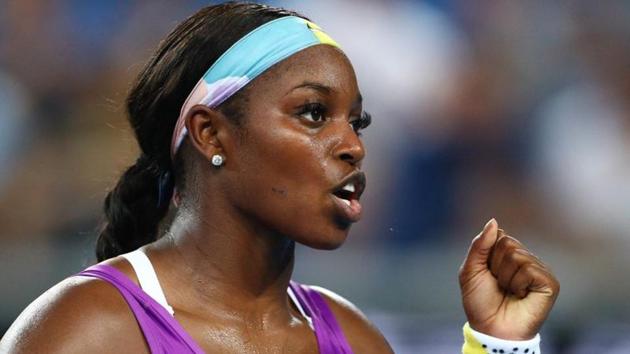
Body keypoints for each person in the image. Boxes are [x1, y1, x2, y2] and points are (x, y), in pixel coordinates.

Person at [0, 3, 559, 353]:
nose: (354, 146)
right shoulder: (84, 332)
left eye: (356, 121)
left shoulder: (352, 337)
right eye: (313, 113)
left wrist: (499, 344)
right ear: (211, 134)